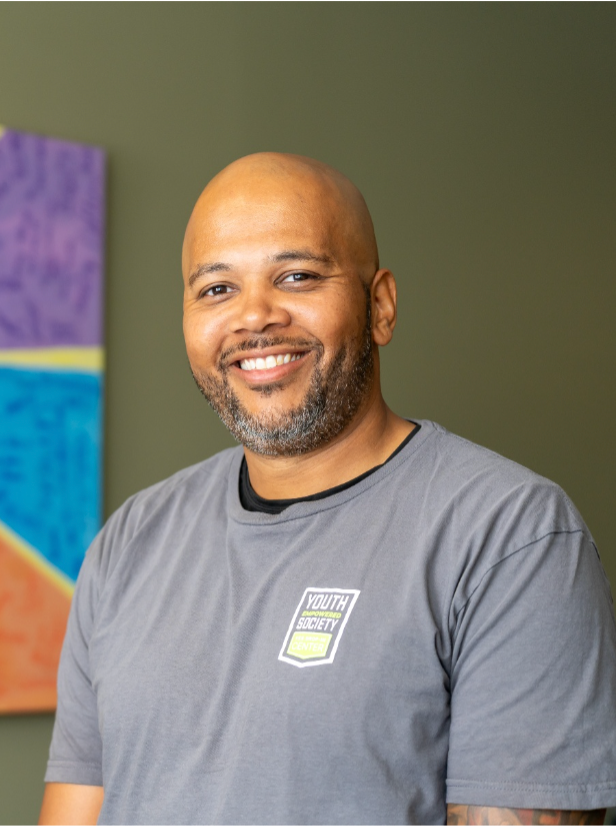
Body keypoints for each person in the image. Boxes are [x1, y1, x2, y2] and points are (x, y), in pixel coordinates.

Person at [40, 153, 616, 825]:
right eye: (217, 289)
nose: (254, 317)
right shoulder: (129, 542)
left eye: (297, 276)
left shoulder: (512, 536)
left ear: (380, 306)